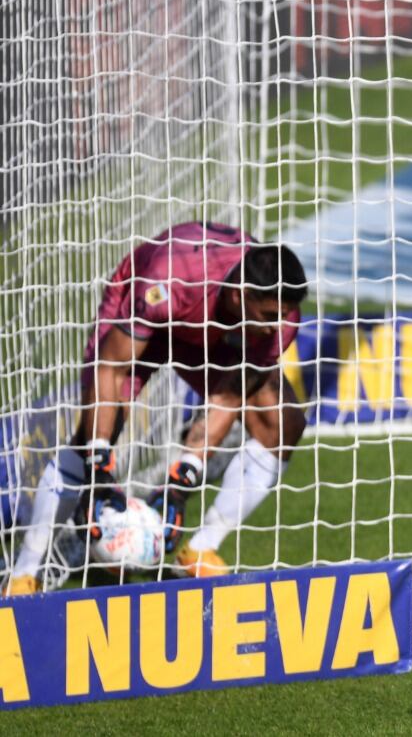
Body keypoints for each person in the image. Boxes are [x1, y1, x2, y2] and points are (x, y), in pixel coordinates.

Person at [3, 222, 309, 593]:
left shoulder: (280, 319)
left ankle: (199, 551)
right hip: (143, 318)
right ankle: (23, 573)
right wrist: (98, 463)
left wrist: (184, 480)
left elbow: (230, 396)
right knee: (94, 434)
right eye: (269, 315)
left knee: (282, 423)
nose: (278, 325)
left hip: (208, 335)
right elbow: (112, 369)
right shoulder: (166, 281)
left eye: (283, 315)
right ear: (240, 295)